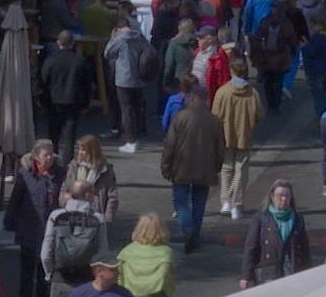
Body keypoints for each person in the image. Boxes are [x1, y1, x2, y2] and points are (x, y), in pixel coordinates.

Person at [42, 180, 111, 297]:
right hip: (87, 282)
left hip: (61, 279)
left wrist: (50, 273)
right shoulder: (97, 219)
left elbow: (46, 251)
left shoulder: (56, 216)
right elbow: (103, 253)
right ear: (88, 196)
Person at [163, 85, 225, 253]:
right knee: (199, 203)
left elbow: (170, 144)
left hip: (181, 167)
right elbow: (221, 149)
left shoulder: (180, 117)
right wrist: (216, 167)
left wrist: (166, 166)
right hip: (205, 169)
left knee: (181, 202)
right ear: (206, 99)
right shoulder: (215, 121)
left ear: (192, 98)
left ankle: (188, 230)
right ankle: (194, 235)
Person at [4, 139, 64, 297]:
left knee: (45, 265)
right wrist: (10, 221)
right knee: (27, 265)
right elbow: (16, 199)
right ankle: (24, 296)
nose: (50, 158)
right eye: (46, 155)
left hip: (50, 227)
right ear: (37, 157)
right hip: (28, 225)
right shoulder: (25, 174)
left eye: (52, 154)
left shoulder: (59, 174)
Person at [212, 57, 264, 219]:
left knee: (227, 168)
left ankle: (225, 201)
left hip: (225, 136)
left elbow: (215, 115)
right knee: (241, 170)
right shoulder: (252, 93)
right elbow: (259, 115)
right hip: (244, 136)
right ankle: (237, 204)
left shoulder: (223, 91)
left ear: (231, 70)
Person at [240, 179, 312, 289]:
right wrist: (246, 276)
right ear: (272, 197)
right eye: (279, 195)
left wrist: (310, 272)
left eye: (287, 195)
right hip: (267, 273)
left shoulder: (298, 218)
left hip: (292, 272)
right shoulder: (260, 218)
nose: (283, 199)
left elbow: (305, 248)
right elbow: (250, 248)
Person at [38, 31, 95, 162]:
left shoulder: (50, 61)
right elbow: (87, 85)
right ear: (72, 43)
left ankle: (51, 162)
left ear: (58, 43)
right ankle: (67, 165)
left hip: (53, 102)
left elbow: (43, 82)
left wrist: (42, 101)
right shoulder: (80, 61)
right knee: (69, 137)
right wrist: (86, 103)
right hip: (73, 102)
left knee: (53, 136)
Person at [104, 24, 151, 154]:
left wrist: (113, 39)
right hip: (140, 76)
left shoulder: (120, 40)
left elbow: (107, 53)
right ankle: (138, 134)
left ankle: (131, 141)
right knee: (137, 108)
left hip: (124, 78)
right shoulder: (140, 38)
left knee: (126, 109)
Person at [64, 135, 121, 223]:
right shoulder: (73, 166)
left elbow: (112, 196)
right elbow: (65, 188)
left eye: (83, 150)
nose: (80, 152)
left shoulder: (105, 170)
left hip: (96, 213)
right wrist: (64, 201)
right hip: (73, 212)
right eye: (79, 149)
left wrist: (108, 217)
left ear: (92, 151)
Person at [299, 21, 326, 118]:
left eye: (313, 26)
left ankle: (322, 115)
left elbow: (311, 52)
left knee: (318, 96)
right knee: (321, 93)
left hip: (317, 71)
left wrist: (304, 46)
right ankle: (322, 114)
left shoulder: (319, 38)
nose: (311, 28)